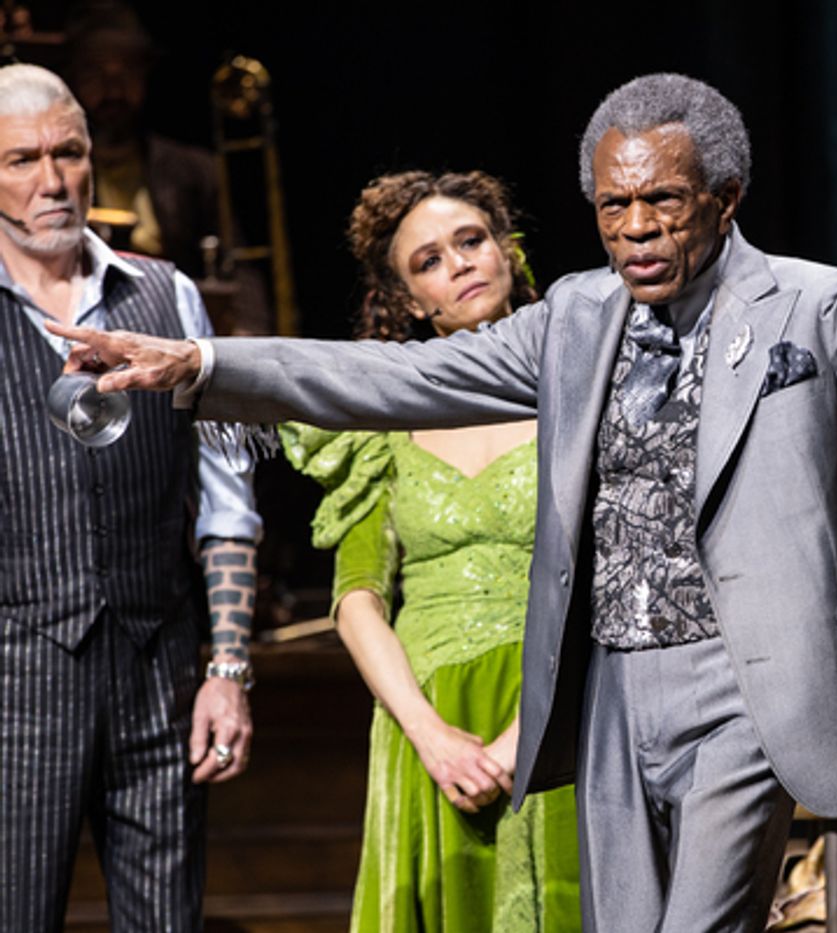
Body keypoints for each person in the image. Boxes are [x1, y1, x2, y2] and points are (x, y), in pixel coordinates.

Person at [54, 72, 837, 932]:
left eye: (662, 204)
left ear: (724, 199)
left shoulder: (806, 302)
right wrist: (196, 360)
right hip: (604, 696)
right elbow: (389, 383)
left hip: (742, 684)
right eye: (612, 208)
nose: (634, 230)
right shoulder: (573, 319)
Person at [279, 170, 579, 931]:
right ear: (411, 300)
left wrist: (527, 736)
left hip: (561, 709)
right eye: (430, 260)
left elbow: (614, 571)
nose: (461, 263)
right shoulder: (383, 420)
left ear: (507, 251)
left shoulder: (580, 392)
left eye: (472, 240)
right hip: (433, 722)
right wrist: (432, 734)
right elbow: (356, 596)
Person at [0, 63, 260, 932]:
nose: (51, 180)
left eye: (67, 152)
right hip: (16, 683)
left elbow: (227, 495)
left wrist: (226, 669)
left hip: (158, 680)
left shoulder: (166, 295)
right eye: (20, 160)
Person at [62, 0, 274, 336]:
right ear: (72, 78)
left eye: (126, 72)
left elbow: (239, 267)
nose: (113, 90)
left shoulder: (193, 170)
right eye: (95, 74)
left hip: (176, 330)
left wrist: (251, 338)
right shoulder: (54, 175)